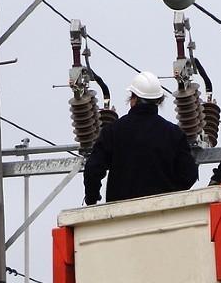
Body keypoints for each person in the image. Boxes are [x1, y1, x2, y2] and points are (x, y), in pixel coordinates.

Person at [83, 71, 199, 205]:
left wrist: (91, 199)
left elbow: (93, 169)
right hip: (164, 213)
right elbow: (189, 174)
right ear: (158, 100)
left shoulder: (113, 131)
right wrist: (171, 195)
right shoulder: (173, 133)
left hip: (121, 214)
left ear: (133, 98)